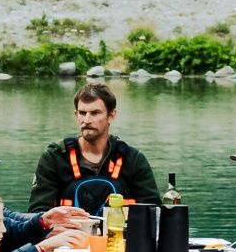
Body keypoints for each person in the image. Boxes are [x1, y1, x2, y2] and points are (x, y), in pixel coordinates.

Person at [27, 82, 161, 213]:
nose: (86, 120)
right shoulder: (54, 158)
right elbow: (37, 214)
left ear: (111, 115)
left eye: (95, 113)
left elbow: (154, 212)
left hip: (119, 234)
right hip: (69, 234)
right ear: (76, 115)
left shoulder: (133, 159)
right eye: (82, 113)